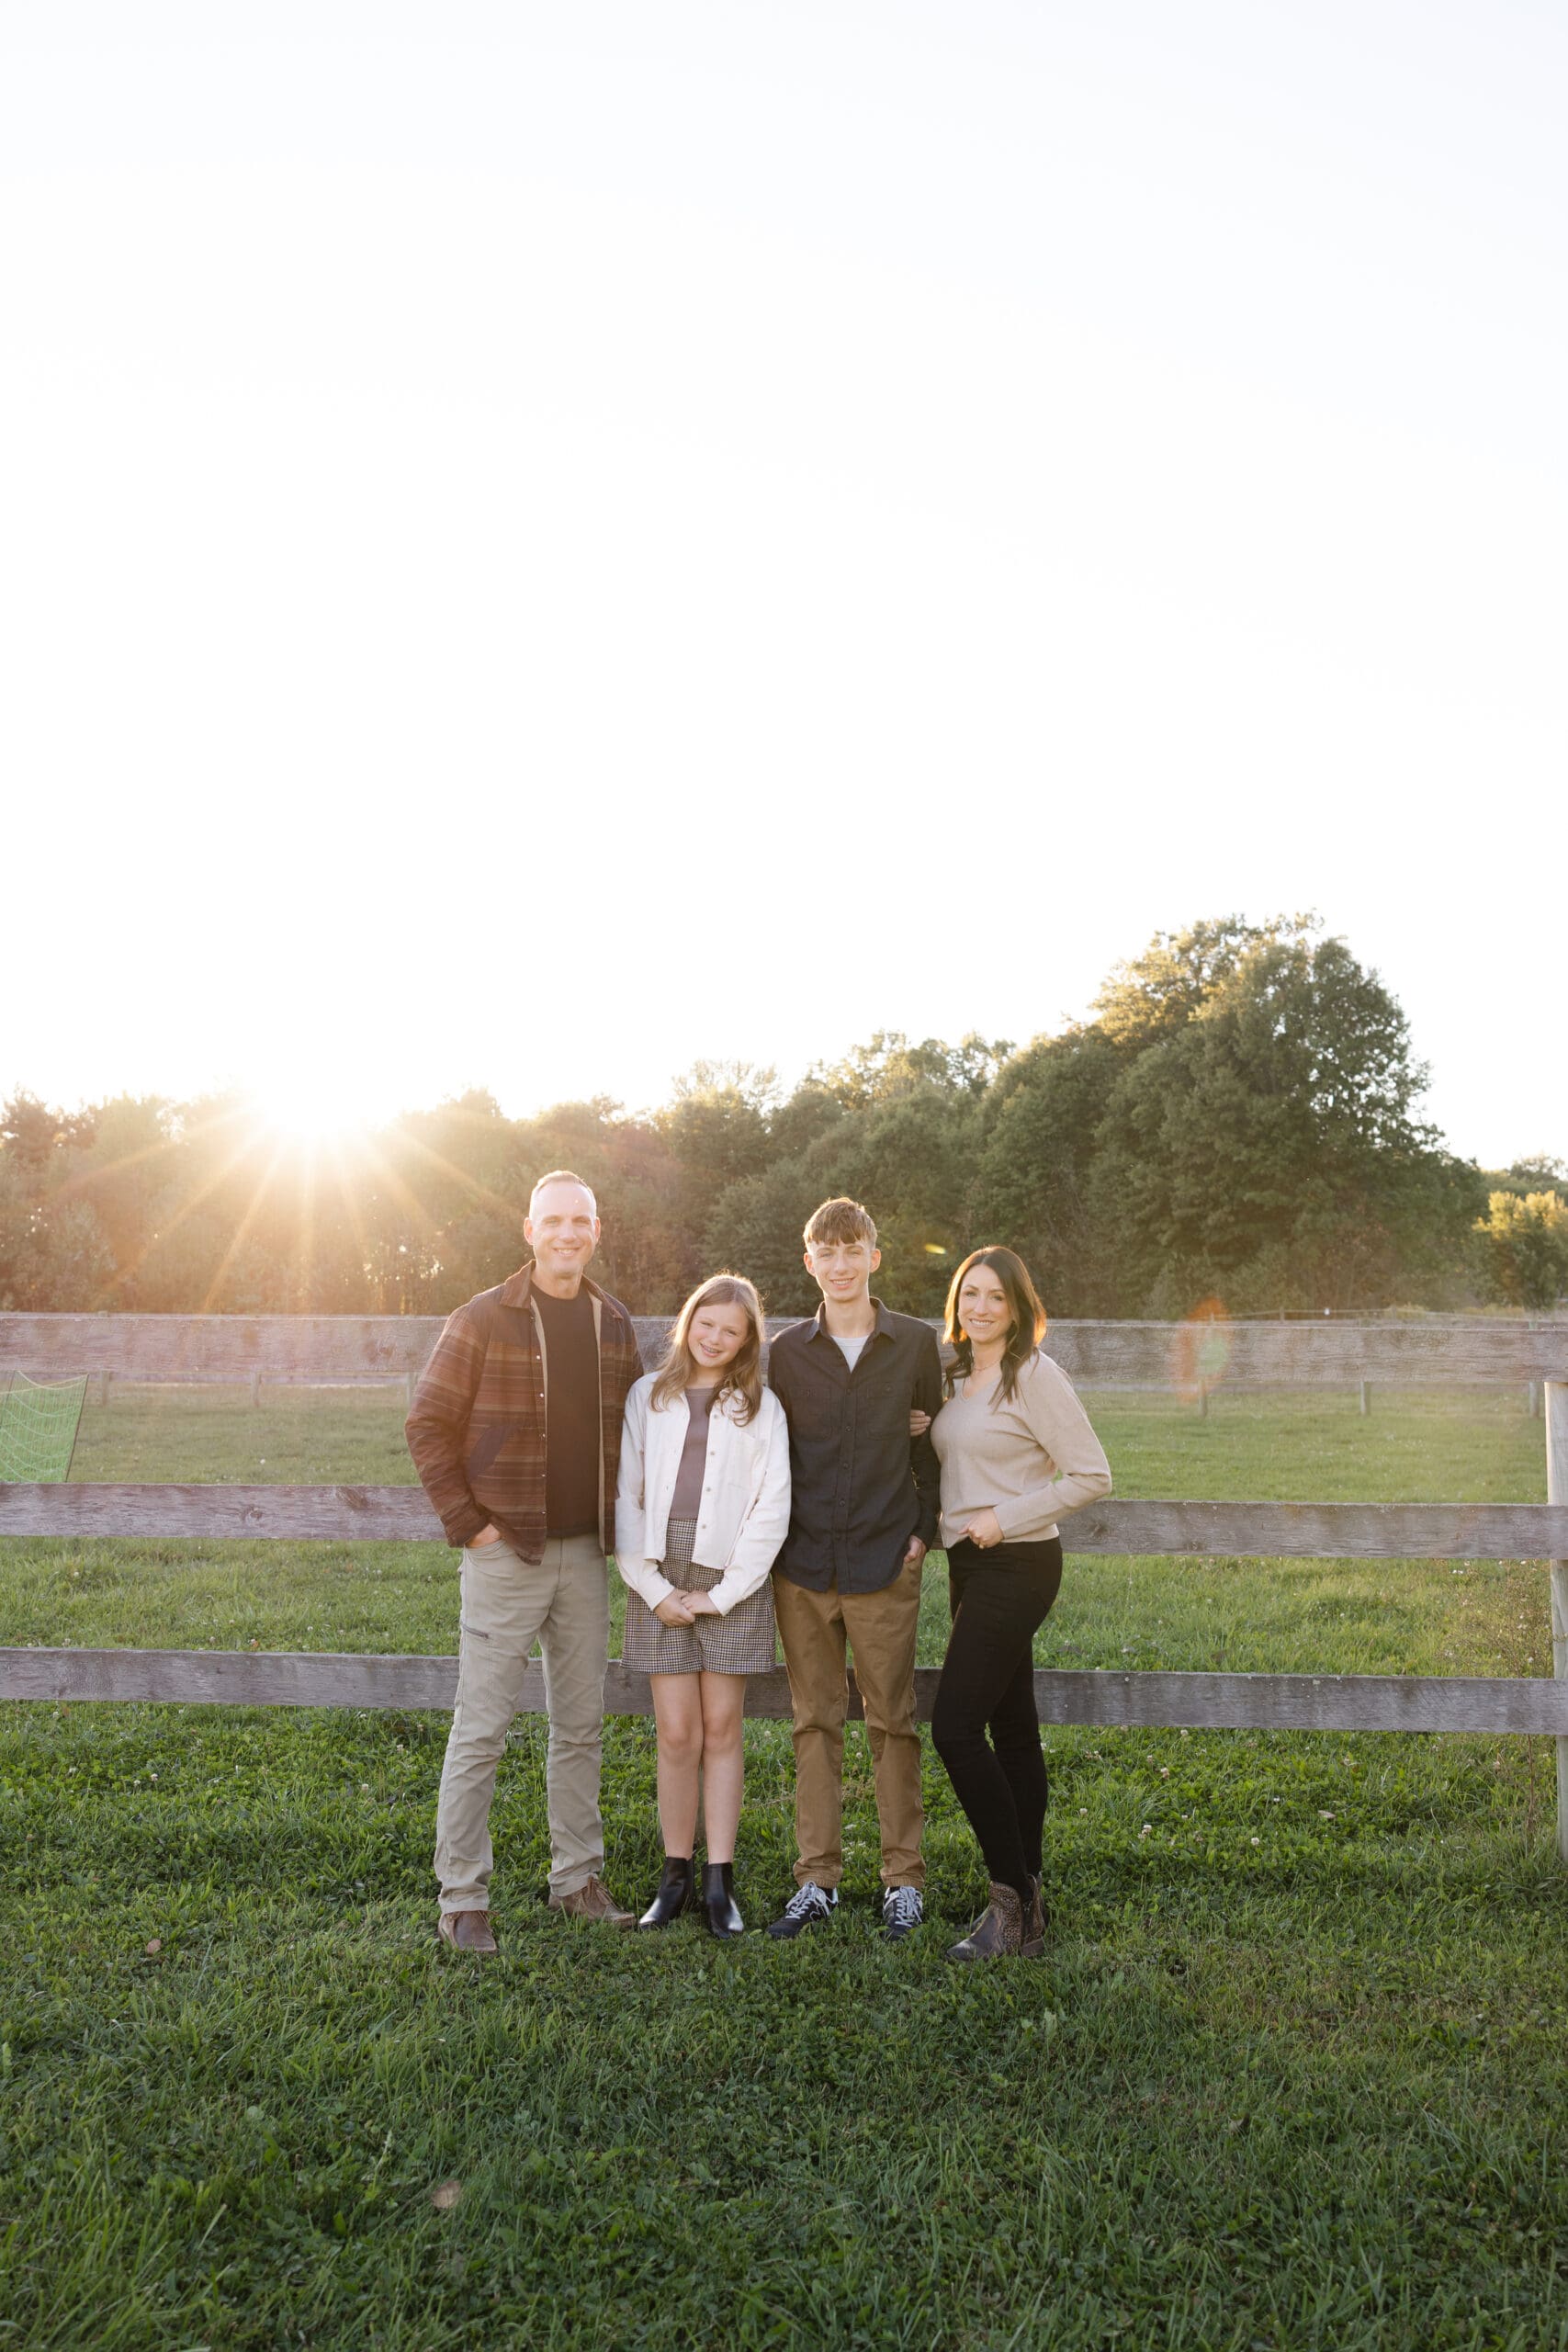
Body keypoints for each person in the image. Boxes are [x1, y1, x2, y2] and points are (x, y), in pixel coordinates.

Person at [406, 1170, 644, 1953]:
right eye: (554, 1221)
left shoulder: (613, 1323)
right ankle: (462, 1897)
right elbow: (427, 1425)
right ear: (529, 1230)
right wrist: (469, 1526)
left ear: (596, 1231)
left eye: (581, 1220)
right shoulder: (482, 1317)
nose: (567, 1233)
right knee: (482, 1727)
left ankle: (576, 1879)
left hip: (584, 1555)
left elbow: (642, 1429)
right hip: (505, 1551)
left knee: (580, 1727)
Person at [764, 1196, 944, 1942]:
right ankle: (817, 1879)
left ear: (875, 1256)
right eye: (825, 1253)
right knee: (813, 1721)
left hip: (882, 1556)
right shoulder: (784, 1352)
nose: (840, 1265)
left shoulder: (912, 1344)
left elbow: (932, 1444)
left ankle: (902, 1879)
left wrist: (923, 1530)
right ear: (809, 1263)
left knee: (891, 1722)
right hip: (802, 1563)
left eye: (853, 1250)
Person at [929, 1246, 1111, 1962]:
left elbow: (1092, 1474)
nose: (978, 1308)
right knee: (1012, 1730)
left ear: (1018, 1308)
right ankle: (1028, 1897)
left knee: (953, 1728)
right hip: (969, 1567)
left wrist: (1006, 1516)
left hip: (1018, 1561)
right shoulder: (958, 1377)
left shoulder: (1034, 1375)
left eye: (994, 1298)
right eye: (968, 1295)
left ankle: (1009, 1902)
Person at [615, 1273, 790, 1938]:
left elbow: (771, 1507)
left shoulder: (759, 1407)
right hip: (658, 1570)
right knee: (676, 1734)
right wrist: (655, 1590)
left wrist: (720, 1594)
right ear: (688, 1322)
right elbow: (625, 1498)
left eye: (732, 1331)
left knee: (721, 1730)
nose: (715, 1338)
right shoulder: (646, 1398)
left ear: (747, 1343)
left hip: (733, 1577)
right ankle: (674, 1876)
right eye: (706, 1323)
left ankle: (721, 1881)